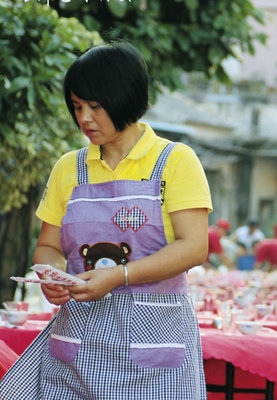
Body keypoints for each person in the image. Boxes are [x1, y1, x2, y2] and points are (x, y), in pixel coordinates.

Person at [0, 41, 211, 399]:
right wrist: (51, 276)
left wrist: (120, 275)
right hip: (75, 353)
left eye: (95, 107)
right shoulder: (69, 167)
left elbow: (194, 247)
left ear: (125, 98)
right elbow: (48, 246)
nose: (84, 119)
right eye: (77, 106)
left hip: (155, 353)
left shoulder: (175, 161)